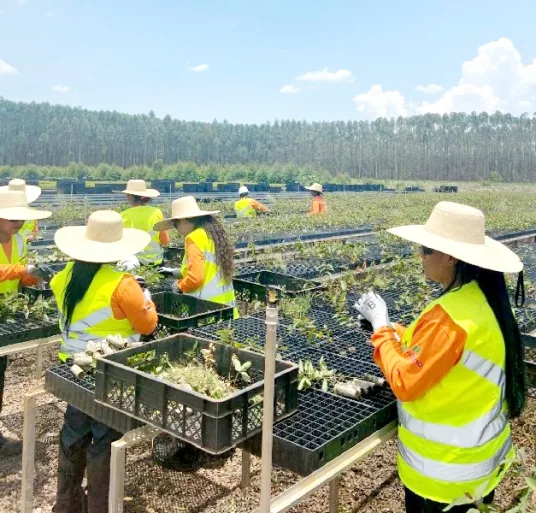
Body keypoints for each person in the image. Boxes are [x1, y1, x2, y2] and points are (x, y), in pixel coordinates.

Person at [355, 201, 526, 513]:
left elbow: (405, 381)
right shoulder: (479, 300)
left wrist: (380, 327)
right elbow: (439, 351)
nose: (421, 256)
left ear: (450, 257)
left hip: (442, 481)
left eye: (426, 249)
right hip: (477, 470)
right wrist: (391, 330)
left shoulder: (449, 318)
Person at [50, 210, 158, 513]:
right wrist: (145, 293)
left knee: (74, 433)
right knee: (106, 440)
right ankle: (101, 506)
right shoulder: (122, 284)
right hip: (109, 372)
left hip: (73, 369)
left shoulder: (63, 278)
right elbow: (147, 325)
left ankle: (67, 503)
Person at [0, 190, 51, 451]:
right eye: (12, 218)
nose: (18, 223)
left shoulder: (19, 240)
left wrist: (36, 279)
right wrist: (22, 270)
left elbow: (21, 275)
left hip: (6, 313)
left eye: (21, 218)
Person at [156, 196, 237, 317]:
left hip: (206, 308)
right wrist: (176, 272)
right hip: (226, 305)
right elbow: (208, 266)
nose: (176, 229)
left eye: (175, 224)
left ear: (183, 220)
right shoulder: (210, 234)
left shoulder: (193, 238)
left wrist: (178, 285)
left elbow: (195, 279)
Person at [118, 179, 169, 265]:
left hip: (134, 264)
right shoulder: (156, 212)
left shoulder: (122, 216)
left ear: (130, 196)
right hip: (156, 263)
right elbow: (165, 241)